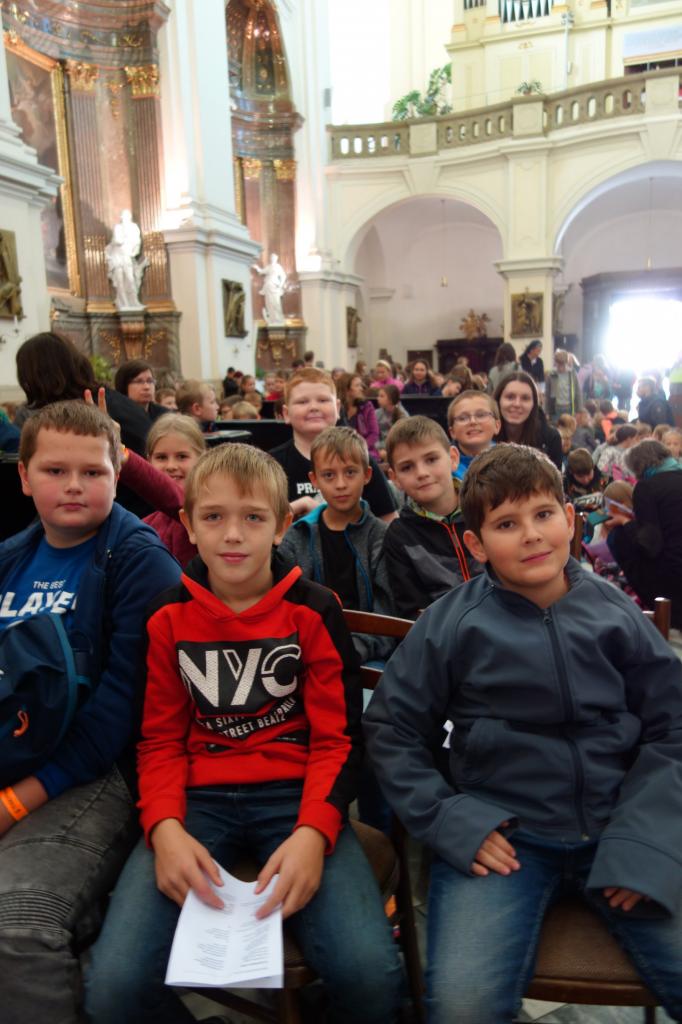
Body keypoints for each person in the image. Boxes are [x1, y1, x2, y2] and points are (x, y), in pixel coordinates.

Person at [84, 442, 403, 1024]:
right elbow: (156, 740)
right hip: (195, 803)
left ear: (281, 525)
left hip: (297, 797)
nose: (233, 535)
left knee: (371, 978)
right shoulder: (166, 616)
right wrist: (165, 828)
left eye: (253, 517)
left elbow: (337, 739)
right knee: (112, 990)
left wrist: (314, 832)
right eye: (214, 517)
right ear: (188, 524)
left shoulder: (314, 610)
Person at [365, 443, 682, 1024]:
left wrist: (647, 835)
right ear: (476, 544)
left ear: (570, 518)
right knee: (462, 1007)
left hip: (619, 827)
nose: (532, 535)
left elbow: (674, 727)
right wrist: (451, 818)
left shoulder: (615, 613)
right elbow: (391, 728)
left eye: (543, 514)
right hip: (504, 839)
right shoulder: (451, 623)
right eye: (507, 524)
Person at [0, 401, 180, 1024]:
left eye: (93, 472)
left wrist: (16, 801)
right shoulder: (11, 557)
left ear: (117, 475)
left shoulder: (138, 560)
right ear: (24, 477)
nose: (74, 485)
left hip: (100, 772)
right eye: (55, 471)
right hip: (20, 752)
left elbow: (121, 711)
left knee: (18, 925)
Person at [277, 426, 394, 664]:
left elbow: (387, 616)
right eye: (329, 475)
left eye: (350, 472)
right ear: (314, 480)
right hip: (306, 650)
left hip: (367, 654)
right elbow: (283, 605)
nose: (341, 484)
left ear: (367, 475)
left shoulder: (381, 537)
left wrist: (349, 651)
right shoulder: (297, 536)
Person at [382, 416, 479, 620]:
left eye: (431, 459)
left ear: (453, 458)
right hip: (444, 633)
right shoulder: (399, 536)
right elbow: (412, 611)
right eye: (407, 467)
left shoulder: (485, 511)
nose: (422, 473)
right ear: (394, 478)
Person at [270, 368, 397, 522]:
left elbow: (389, 519)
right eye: (302, 402)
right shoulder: (271, 465)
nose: (313, 407)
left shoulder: (359, 457)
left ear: (337, 408)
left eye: (323, 400)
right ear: (286, 414)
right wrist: (295, 507)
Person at [606, 439, 682, 627]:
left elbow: (650, 545)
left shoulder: (646, 487)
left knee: (617, 537)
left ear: (638, 467)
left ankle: (661, 616)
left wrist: (626, 522)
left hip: (672, 582)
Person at [117, 411, 206, 566]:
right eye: (161, 457)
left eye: (182, 456)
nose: (171, 466)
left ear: (202, 459)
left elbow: (180, 503)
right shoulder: (145, 526)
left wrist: (123, 456)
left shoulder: (211, 511)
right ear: (148, 460)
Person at [493, 371, 562, 470]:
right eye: (510, 397)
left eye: (525, 398)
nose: (517, 404)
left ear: (534, 405)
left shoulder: (551, 439)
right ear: (498, 400)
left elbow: (555, 479)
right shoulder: (486, 435)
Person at [447, 390, 500, 482]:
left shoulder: (511, 462)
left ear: (497, 426)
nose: (473, 421)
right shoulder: (446, 467)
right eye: (463, 418)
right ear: (452, 432)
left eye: (481, 415)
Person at [104, 209, 147, 311]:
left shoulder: (133, 227)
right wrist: (124, 237)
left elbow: (137, 241)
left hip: (127, 255)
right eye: (123, 216)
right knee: (120, 281)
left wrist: (133, 250)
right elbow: (117, 240)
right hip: (117, 256)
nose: (124, 218)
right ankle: (124, 302)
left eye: (127, 216)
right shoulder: (118, 227)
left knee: (130, 279)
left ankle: (134, 301)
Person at [337, 372, 380, 461]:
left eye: (361, 385)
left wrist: (360, 448)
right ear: (347, 390)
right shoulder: (337, 408)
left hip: (364, 450)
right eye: (357, 386)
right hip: (340, 451)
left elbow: (374, 433)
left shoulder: (367, 406)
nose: (361, 388)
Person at [545, 348, 582, 419]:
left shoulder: (572, 374)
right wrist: (546, 412)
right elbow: (547, 394)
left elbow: (578, 392)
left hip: (569, 408)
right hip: (555, 408)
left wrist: (579, 410)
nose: (561, 368)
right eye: (558, 365)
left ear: (566, 363)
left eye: (563, 365)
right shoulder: (551, 375)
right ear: (555, 363)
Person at [252, 253, 287, 324]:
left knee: (276, 303)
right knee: (269, 303)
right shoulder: (269, 267)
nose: (272, 259)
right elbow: (262, 271)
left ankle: (278, 320)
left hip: (275, 286)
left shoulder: (278, 267)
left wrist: (280, 285)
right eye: (271, 258)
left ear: (276, 259)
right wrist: (257, 268)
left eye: (274, 258)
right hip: (268, 286)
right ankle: (272, 319)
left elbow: (283, 276)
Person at [376, 384, 408, 459]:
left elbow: (403, 439)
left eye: (381, 396)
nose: (377, 398)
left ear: (390, 399)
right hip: (380, 447)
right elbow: (374, 434)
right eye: (378, 396)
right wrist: (378, 448)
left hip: (397, 448)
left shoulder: (403, 415)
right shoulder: (376, 413)